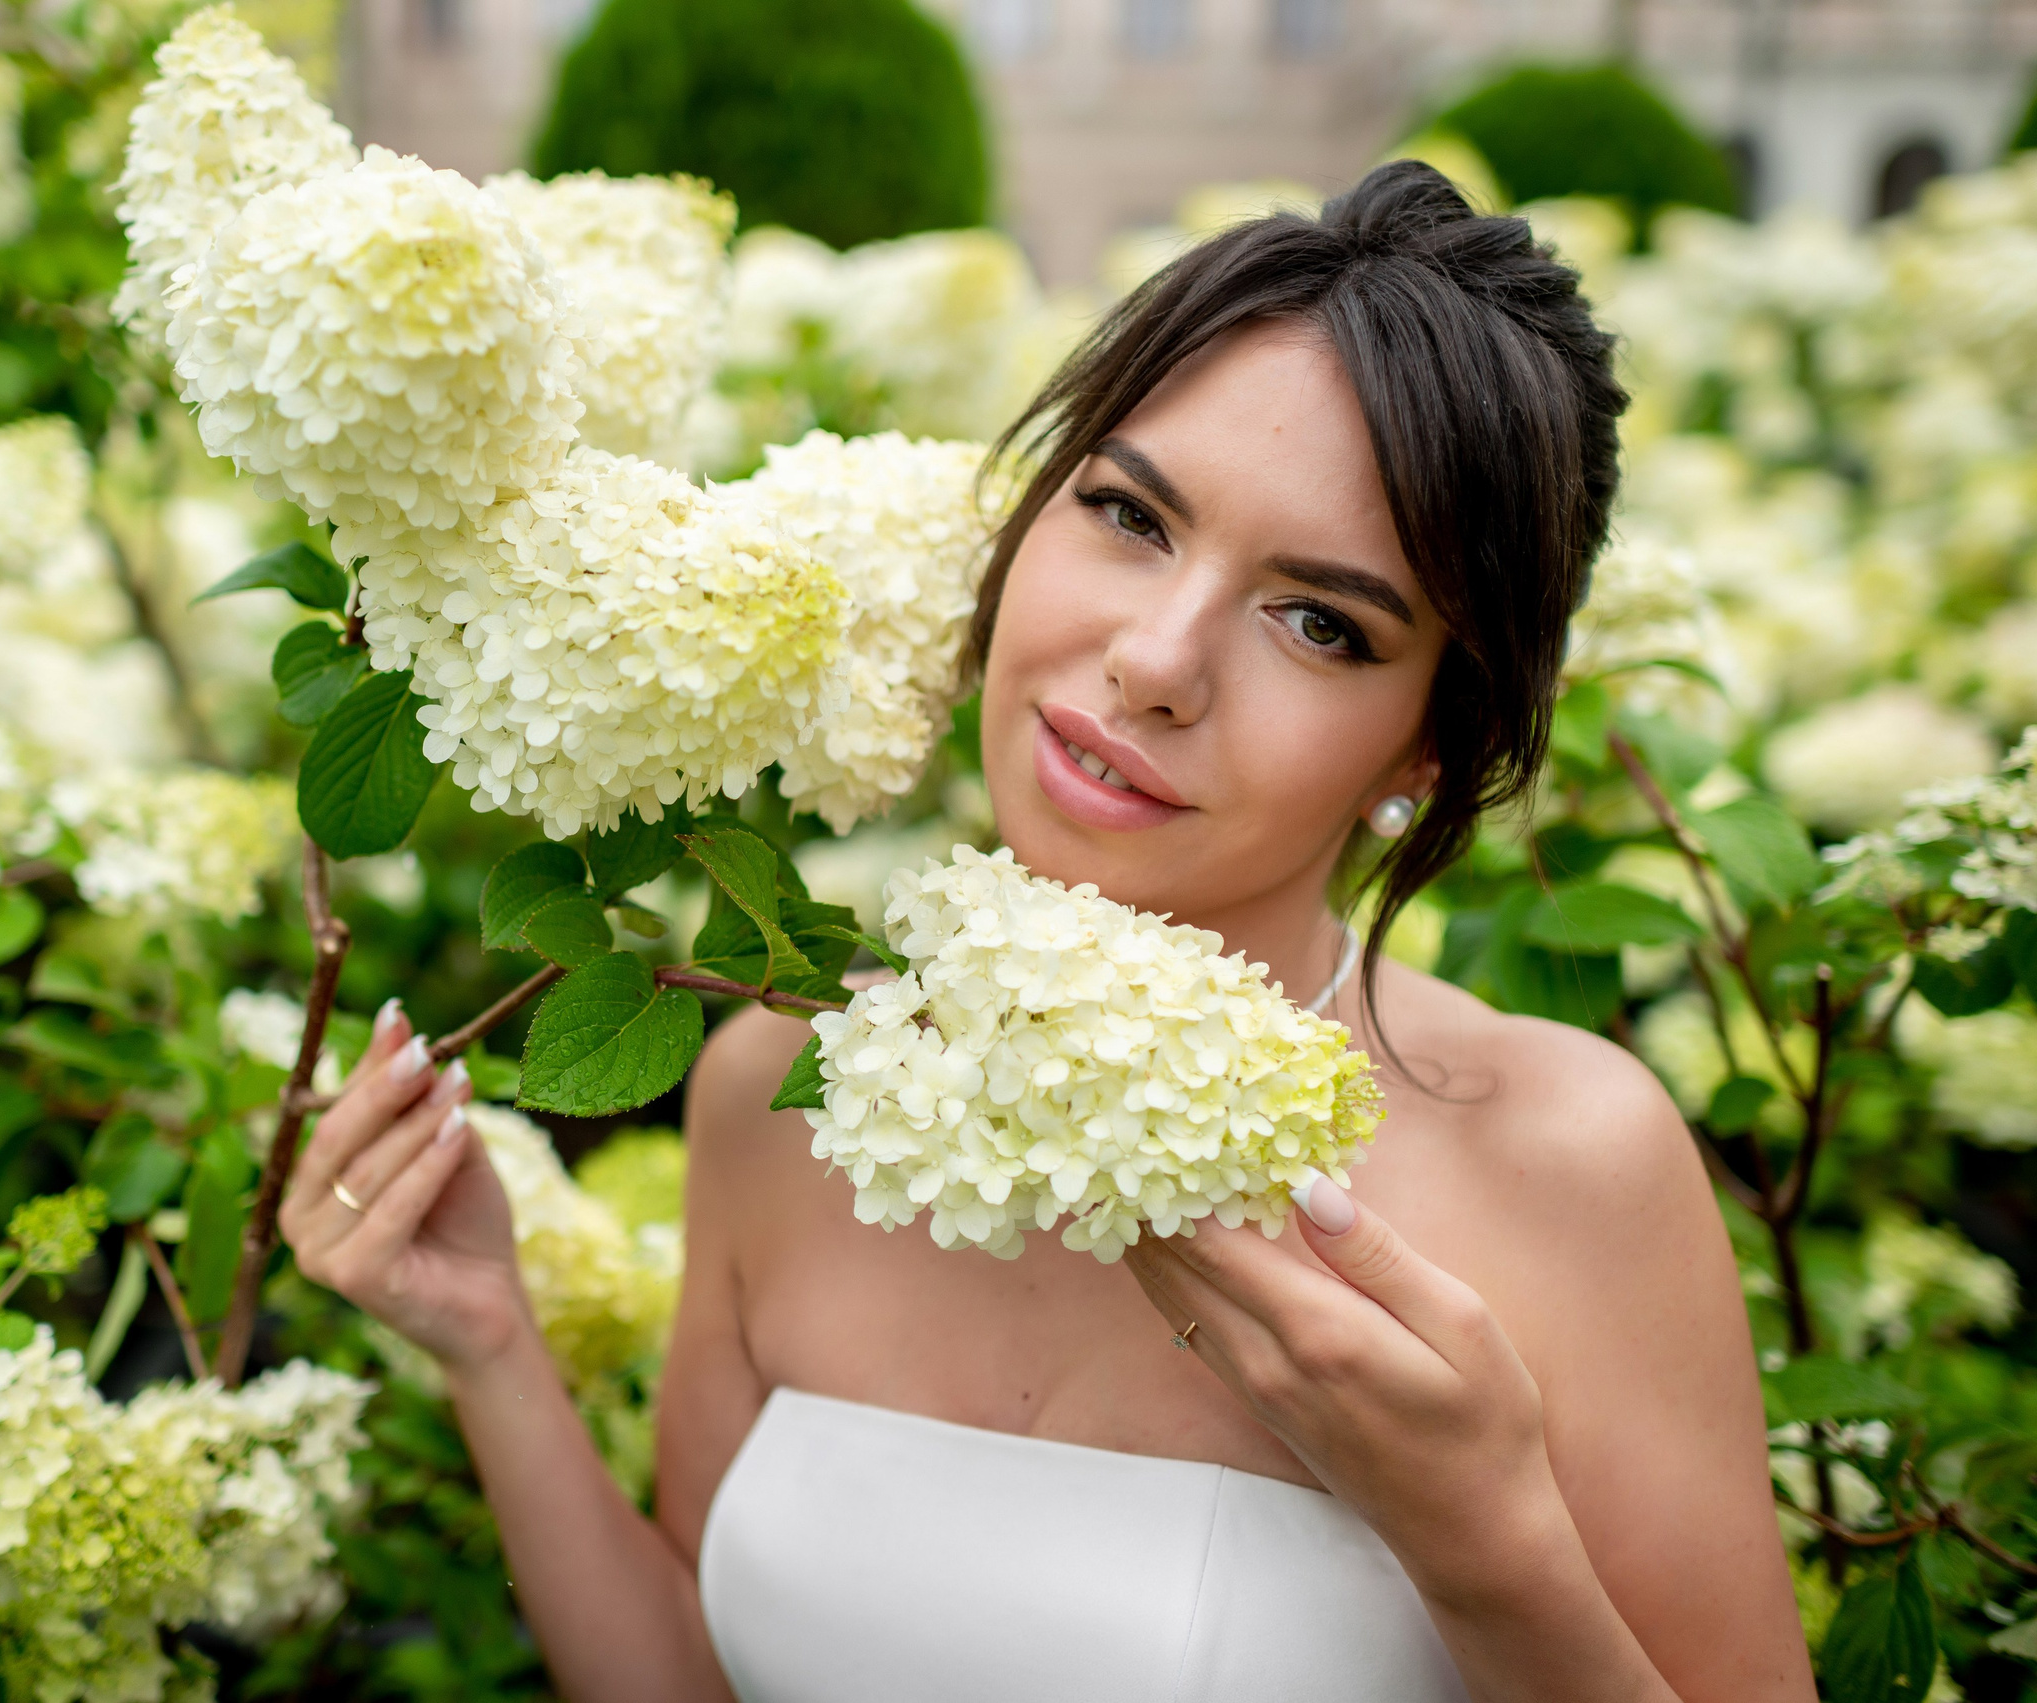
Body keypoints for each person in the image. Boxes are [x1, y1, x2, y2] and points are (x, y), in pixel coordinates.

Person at [276, 162, 1815, 1701]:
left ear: (1431, 746)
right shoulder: (789, 1087)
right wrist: (488, 1344)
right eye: (1130, 514)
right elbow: (693, 1674)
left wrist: (1487, 1545)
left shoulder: (1566, 1170)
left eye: (1321, 622)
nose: (1154, 660)